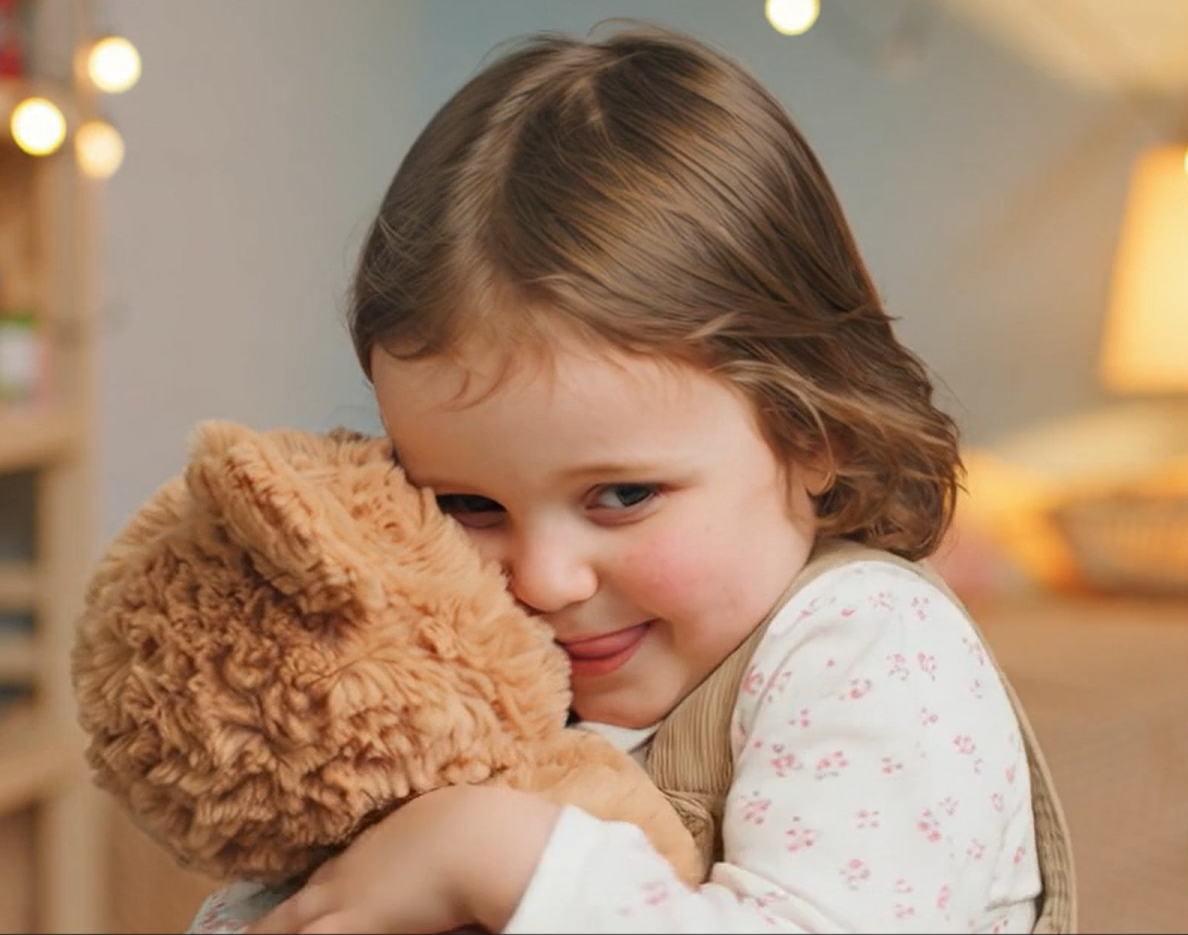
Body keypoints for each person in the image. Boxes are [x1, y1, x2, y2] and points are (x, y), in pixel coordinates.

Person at [187, 22, 1051, 935]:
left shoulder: (869, 647)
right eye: (467, 504)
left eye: (624, 495)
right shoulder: (470, 671)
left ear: (813, 431)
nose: (543, 580)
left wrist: (495, 858)